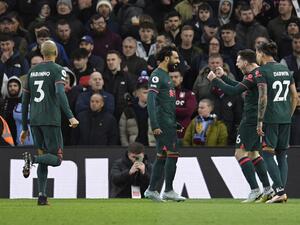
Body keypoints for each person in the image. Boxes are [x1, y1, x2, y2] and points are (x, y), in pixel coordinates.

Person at [207, 49, 273, 203]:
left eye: (238, 60)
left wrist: (214, 80)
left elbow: (233, 91)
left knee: (240, 153)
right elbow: (239, 87)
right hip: (256, 118)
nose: (236, 64)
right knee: (253, 154)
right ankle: (268, 189)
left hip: (250, 119)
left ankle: (255, 190)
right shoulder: (256, 74)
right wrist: (223, 76)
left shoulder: (253, 74)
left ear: (245, 62)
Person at [20, 40, 79, 206]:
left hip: (35, 121)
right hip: (51, 120)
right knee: (57, 159)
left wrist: (24, 127)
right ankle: (31, 159)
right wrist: (70, 116)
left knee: (43, 157)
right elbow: (60, 93)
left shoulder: (32, 71)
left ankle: (42, 196)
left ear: (41, 53)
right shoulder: (58, 70)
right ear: (57, 53)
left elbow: (25, 101)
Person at [255, 41, 298, 203]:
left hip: (270, 118)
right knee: (281, 154)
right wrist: (288, 114)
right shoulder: (285, 70)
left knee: (266, 153)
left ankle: (279, 190)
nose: (256, 56)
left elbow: (263, 97)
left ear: (262, 53)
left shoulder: (262, 71)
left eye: (257, 53)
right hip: (285, 118)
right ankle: (280, 190)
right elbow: (295, 96)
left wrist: (260, 121)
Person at [144, 45, 185, 202]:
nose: (178, 61)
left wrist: (173, 122)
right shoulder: (157, 75)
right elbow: (151, 101)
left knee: (162, 156)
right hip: (162, 123)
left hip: (168, 122)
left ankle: (152, 190)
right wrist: (155, 124)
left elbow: (165, 104)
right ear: (167, 58)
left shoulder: (166, 76)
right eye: (176, 58)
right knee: (173, 154)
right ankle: (168, 190)